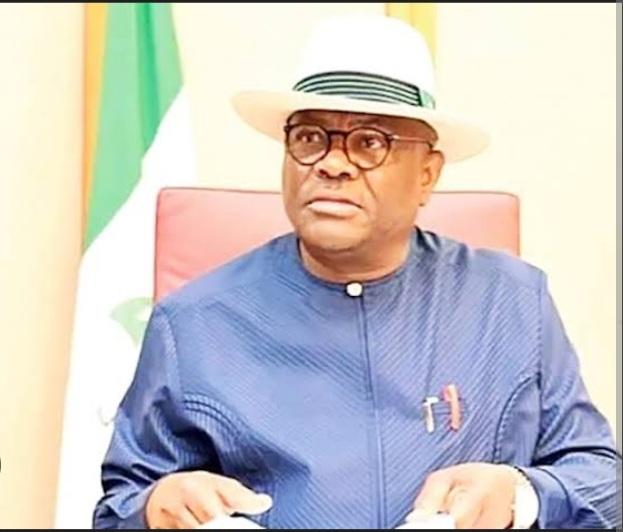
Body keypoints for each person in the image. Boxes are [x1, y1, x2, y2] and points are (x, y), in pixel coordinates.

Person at [93, 13, 620, 529]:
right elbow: (118, 509)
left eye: (370, 142)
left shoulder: (512, 302)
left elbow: (603, 484)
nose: (332, 163)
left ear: (427, 174)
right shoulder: (193, 323)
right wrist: (156, 507)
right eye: (309, 138)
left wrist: (521, 495)